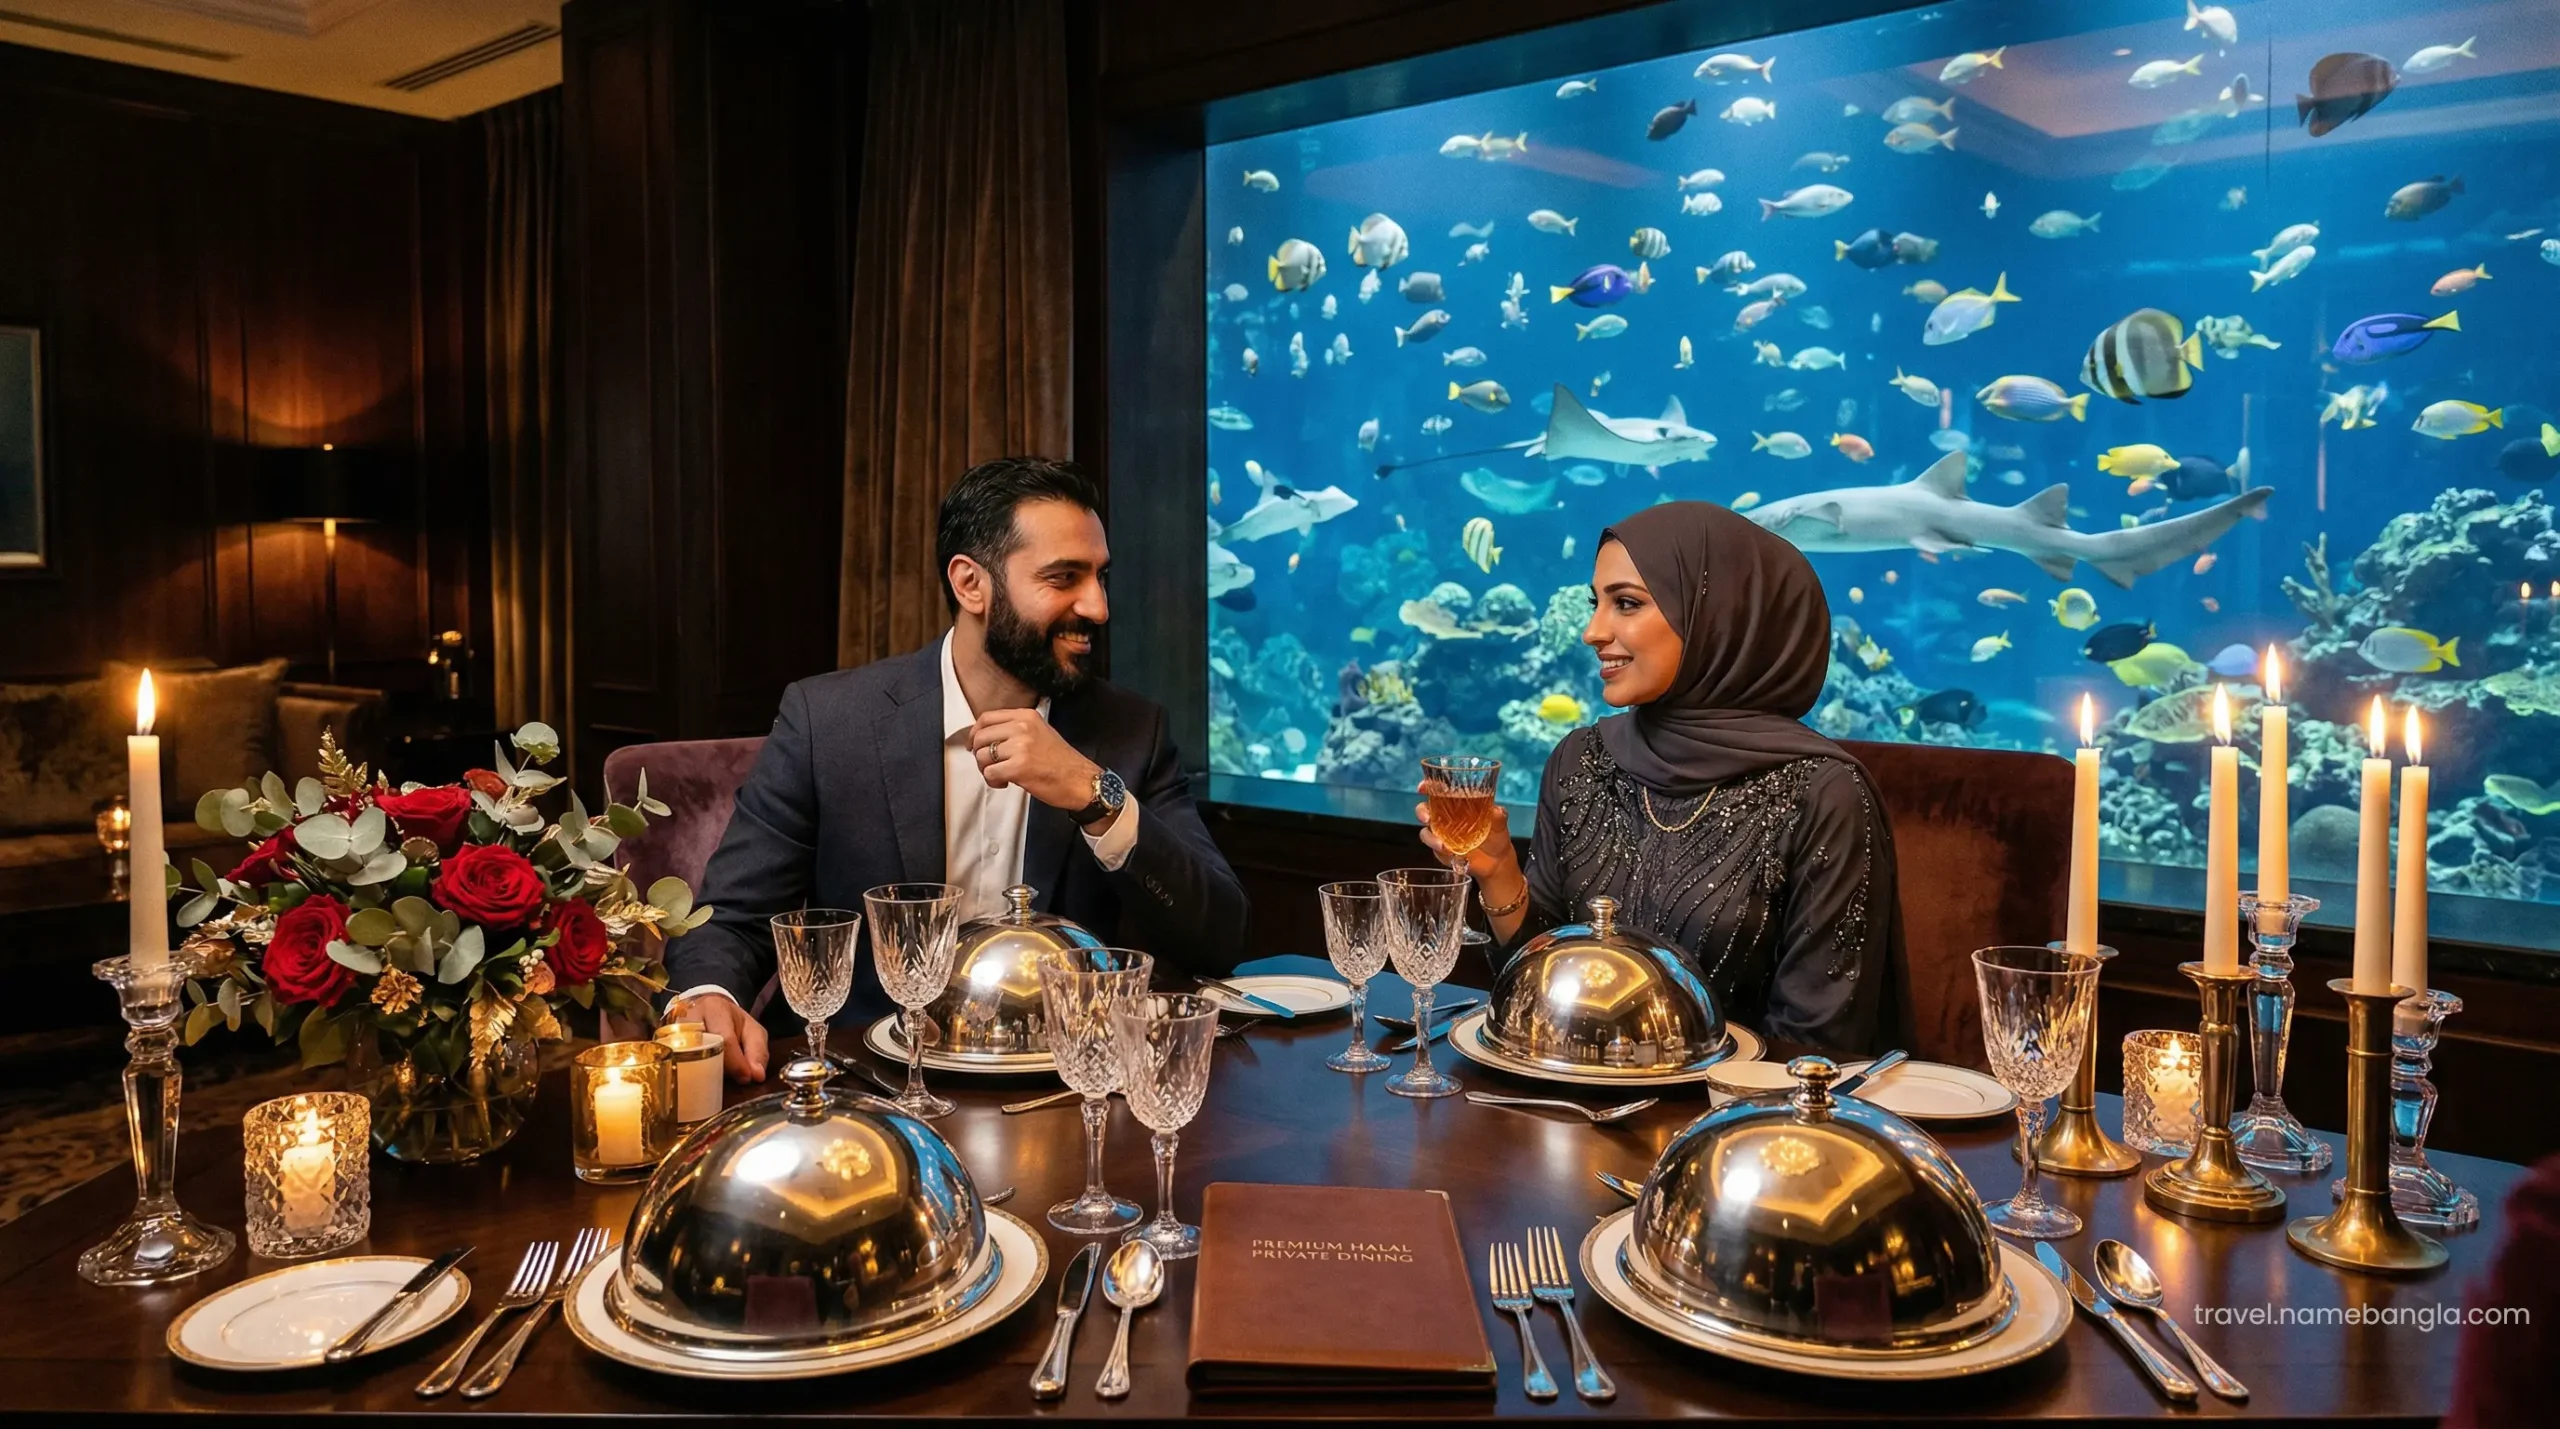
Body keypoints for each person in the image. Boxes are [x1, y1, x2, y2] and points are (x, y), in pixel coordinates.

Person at [666, 457, 1250, 1079]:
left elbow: (1218, 937)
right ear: (971, 584)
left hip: (1057, 1088)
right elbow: (732, 919)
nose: (1098, 607)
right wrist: (710, 994)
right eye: (1064, 578)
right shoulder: (829, 721)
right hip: (865, 1084)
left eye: (1100, 578)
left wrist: (1093, 794)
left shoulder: (1131, 730)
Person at [1418, 500, 1899, 1052]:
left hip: (1740, 1122)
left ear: (1718, 614)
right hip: (1567, 1104)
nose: (1592, 631)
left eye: (1626, 603)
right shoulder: (1581, 759)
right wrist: (1500, 873)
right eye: (1594, 603)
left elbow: (1818, 1044)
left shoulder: (1823, 793)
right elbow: (1541, 988)